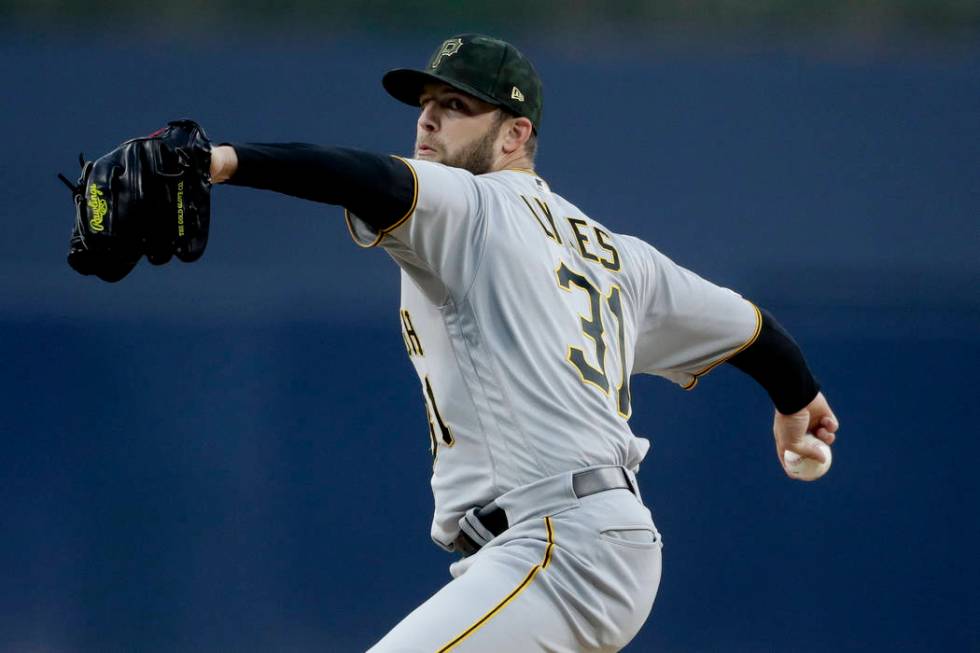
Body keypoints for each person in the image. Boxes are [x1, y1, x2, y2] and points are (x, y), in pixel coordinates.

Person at [207, 34, 839, 653]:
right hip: (573, 546)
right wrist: (797, 399)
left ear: (514, 135)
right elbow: (754, 330)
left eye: (456, 106)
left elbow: (367, 178)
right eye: (425, 103)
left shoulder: (476, 205)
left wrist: (224, 161)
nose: (427, 119)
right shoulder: (621, 258)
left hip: (561, 548)